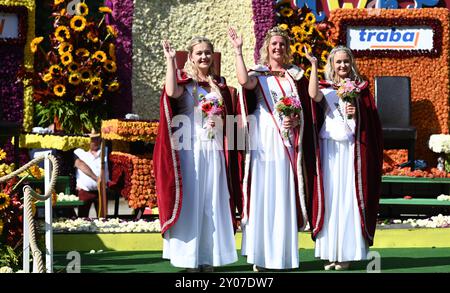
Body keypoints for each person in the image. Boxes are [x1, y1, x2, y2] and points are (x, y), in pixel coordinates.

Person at [228, 26, 324, 271]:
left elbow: (306, 106)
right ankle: (260, 255)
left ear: (287, 49)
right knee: (263, 190)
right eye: (274, 44)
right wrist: (238, 51)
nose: (278, 48)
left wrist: (297, 120)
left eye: (282, 44)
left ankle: (282, 254)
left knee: (283, 190)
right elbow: (242, 82)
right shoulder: (259, 74)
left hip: (288, 140)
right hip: (263, 137)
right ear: (266, 48)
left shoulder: (295, 76)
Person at [153, 36, 241, 272]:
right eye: (199, 53)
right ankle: (189, 259)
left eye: (207, 52)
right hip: (190, 150)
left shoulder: (218, 84)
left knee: (213, 202)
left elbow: (228, 118)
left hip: (213, 150)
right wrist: (170, 61)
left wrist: (220, 120)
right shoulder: (184, 81)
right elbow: (170, 93)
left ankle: (208, 258)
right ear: (191, 56)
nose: (203, 57)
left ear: (212, 56)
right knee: (192, 203)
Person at [306, 46, 383, 270]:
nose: (342, 66)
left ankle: (347, 254)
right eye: (338, 62)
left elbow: (371, 121)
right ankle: (332, 253)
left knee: (348, 198)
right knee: (331, 199)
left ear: (351, 64)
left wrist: (356, 112)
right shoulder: (326, 88)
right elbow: (313, 95)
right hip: (329, 148)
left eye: (346, 62)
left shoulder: (361, 89)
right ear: (332, 64)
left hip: (351, 151)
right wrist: (313, 65)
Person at [74, 130, 108, 218]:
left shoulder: (106, 150)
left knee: (103, 218)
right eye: (93, 139)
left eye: (98, 139)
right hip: (85, 191)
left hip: (102, 190)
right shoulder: (79, 152)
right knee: (82, 218)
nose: (96, 141)